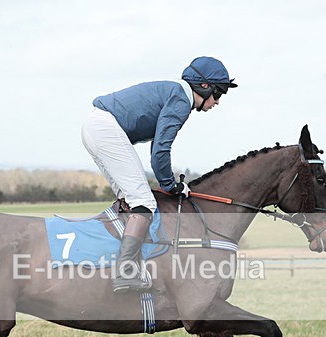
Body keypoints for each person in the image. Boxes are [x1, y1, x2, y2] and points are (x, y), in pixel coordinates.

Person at [82, 56, 237, 292]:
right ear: (204, 86)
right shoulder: (181, 100)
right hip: (105, 128)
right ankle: (124, 273)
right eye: (219, 93)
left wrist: (168, 182)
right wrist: (171, 185)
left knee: (130, 202)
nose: (217, 101)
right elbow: (161, 151)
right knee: (144, 202)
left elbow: (157, 147)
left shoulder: (175, 94)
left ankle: (120, 263)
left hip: (96, 127)